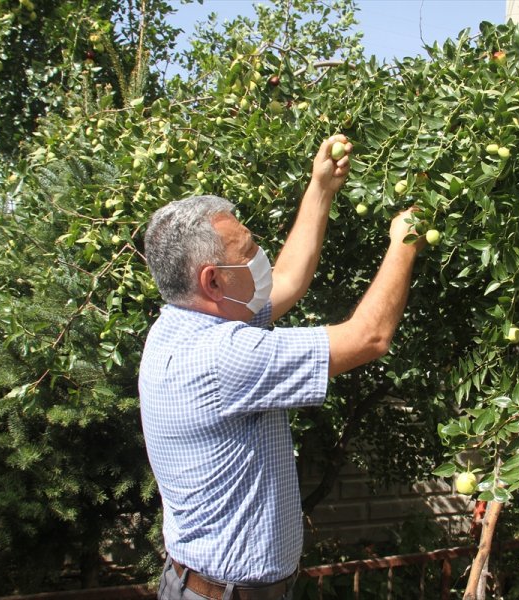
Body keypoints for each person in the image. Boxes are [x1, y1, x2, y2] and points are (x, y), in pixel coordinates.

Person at [139, 135, 425, 600]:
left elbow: (289, 278)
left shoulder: (180, 323)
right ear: (212, 280)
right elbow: (369, 337)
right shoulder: (221, 358)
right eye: (247, 250)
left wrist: (321, 188)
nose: (259, 256)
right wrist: (405, 240)